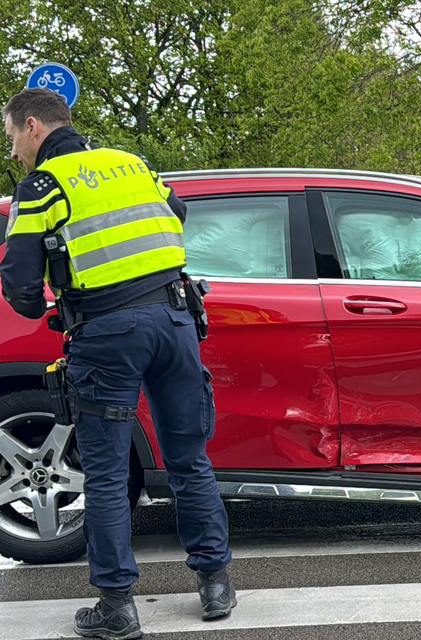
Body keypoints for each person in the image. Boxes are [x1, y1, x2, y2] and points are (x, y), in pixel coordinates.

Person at [0, 88, 234, 639]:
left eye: (11, 136)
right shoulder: (133, 164)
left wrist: (48, 306)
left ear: (33, 127)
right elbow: (175, 212)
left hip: (106, 332)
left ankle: (115, 607)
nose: (12, 151)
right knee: (188, 458)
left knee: (106, 473)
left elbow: (17, 276)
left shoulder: (43, 186)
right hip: (175, 322)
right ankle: (216, 583)